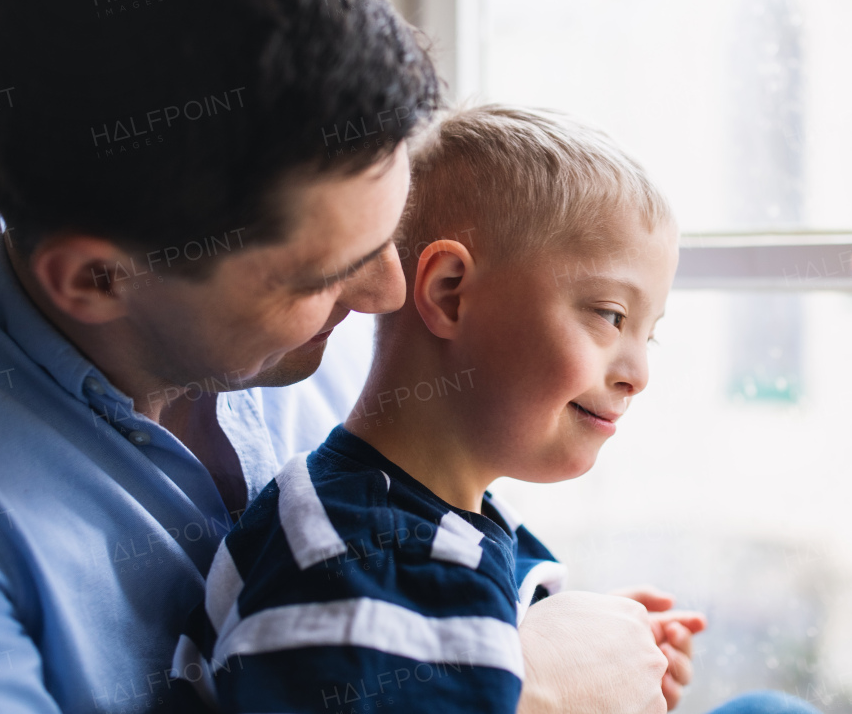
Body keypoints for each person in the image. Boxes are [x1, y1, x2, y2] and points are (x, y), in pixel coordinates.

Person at [0, 0, 682, 712]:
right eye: (323, 271)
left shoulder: (361, 355)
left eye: (391, 230)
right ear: (96, 277)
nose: (387, 295)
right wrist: (525, 682)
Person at [170, 105, 686, 713]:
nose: (638, 376)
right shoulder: (346, 561)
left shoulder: (440, 524)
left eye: (646, 336)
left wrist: (595, 656)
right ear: (449, 293)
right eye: (610, 315)